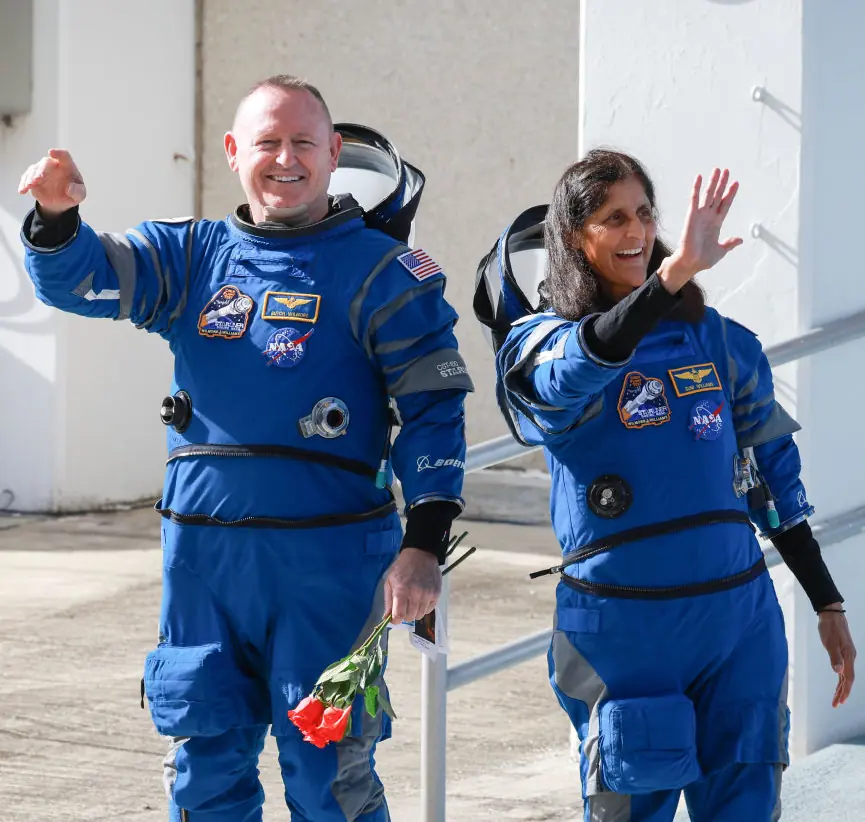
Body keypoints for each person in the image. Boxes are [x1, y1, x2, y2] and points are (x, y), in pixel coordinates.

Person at [18, 75, 473, 822]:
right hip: (204, 574)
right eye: (267, 141)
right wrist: (56, 219)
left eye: (302, 142)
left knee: (329, 778)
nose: (284, 158)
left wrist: (422, 546)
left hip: (328, 577)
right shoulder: (188, 257)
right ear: (234, 152)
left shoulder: (384, 274)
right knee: (204, 776)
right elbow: (84, 278)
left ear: (333, 154)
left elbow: (433, 412)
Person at [480, 150, 856, 821]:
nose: (635, 230)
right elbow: (574, 371)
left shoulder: (714, 340)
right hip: (623, 635)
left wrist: (826, 602)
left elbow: (772, 482)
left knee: (746, 806)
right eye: (613, 217)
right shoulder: (539, 342)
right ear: (573, 237)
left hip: (736, 624)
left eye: (644, 213)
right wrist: (671, 277)